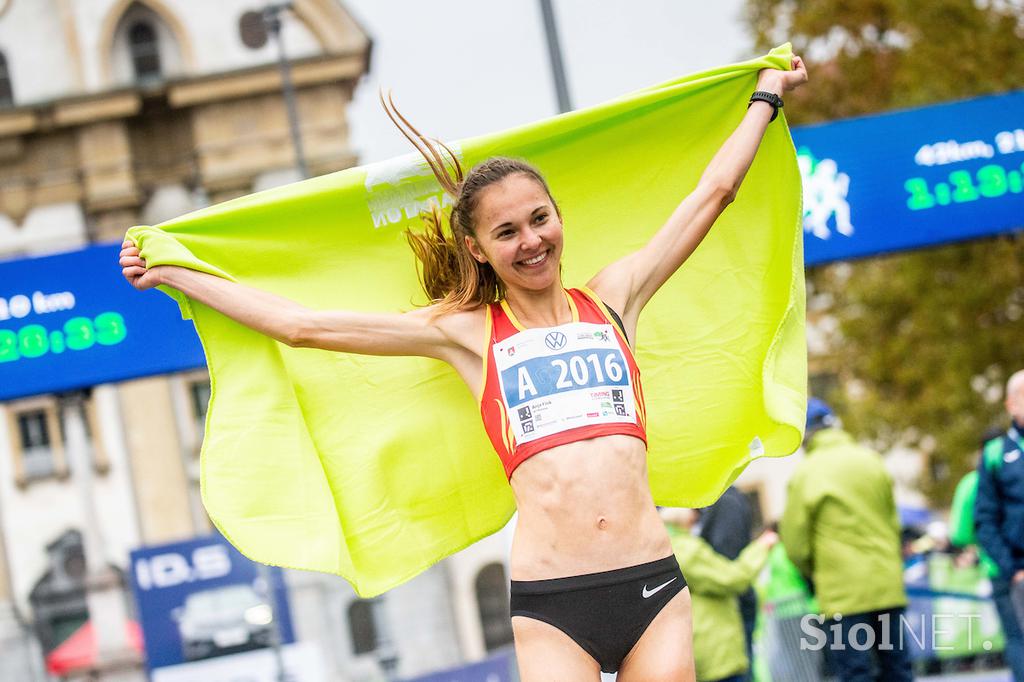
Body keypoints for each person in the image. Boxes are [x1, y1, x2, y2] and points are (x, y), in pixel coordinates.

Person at [120, 58, 808, 680]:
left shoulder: (616, 296)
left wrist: (766, 97)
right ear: (477, 250)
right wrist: (178, 273)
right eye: (506, 233)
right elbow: (302, 327)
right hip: (554, 604)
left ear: (560, 217)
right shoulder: (468, 335)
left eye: (539, 220)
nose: (530, 241)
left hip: (653, 586)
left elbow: (712, 194)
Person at [780, 398, 913, 681]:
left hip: (843, 594)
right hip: (887, 584)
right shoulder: (871, 460)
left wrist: (813, 574)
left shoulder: (806, 474)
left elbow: (795, 544)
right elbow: (893, 522)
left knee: (856, 673)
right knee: (898, 669)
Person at [662, 507, 775, 682]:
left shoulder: (665, 547)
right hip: (716, 651)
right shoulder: (685, 548)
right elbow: (733, 579)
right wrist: (762, 547)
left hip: (695, 647)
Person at [974, 369, 1024, 682]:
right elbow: (984, 520)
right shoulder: (995, 454)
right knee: (1020, 643)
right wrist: (1013, 569)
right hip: (1014, 573)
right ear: (1010, 404)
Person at [699, 486, 758, 679]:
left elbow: (727, 564)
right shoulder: (722, 498)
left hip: (732, 607)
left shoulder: (723, 500)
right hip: (728, 608)